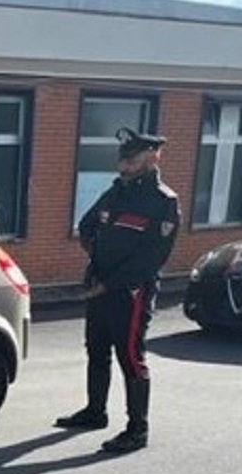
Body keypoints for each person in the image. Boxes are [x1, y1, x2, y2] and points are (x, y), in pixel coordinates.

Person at [54, 127, 181, 454]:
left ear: (153, 157)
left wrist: (109, 283)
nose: (124, 166)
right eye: (122, 160)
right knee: (96, 350)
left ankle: (137, 429)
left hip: (131, 292)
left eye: (132, 160)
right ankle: (95, 411)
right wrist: (95, 266)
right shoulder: (116, 192)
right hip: (100, 285)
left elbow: (151, 259)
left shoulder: (162, 202)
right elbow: (86, 226)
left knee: (130, 358)